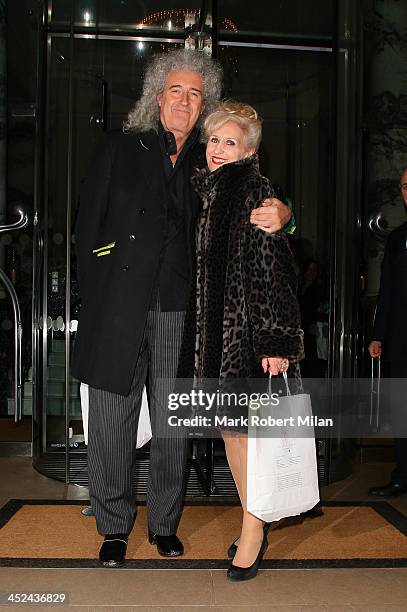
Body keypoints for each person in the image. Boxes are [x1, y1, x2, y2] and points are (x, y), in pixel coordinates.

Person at [71, 48, 292, 567]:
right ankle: (112, 527)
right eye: (176, 90)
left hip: (183, 309)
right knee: (111, 423)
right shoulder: (120, 147)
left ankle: (164, 523)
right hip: (117, 308)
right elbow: (87, 229)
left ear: (204, 104)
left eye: (195, 93)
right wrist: (98, 291)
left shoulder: (211, 155)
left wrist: (287, 211)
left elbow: (259, 202)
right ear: (157, 95)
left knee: (175, 423)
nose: (185, 100)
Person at [177, 100, 304, 581]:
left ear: (249, 150)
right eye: (213, 139)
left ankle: (253, 530)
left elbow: (273, 272)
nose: (217, 148)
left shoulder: (252, 192)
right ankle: (254, 519)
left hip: (246, 341)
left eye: (230, 141)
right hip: (219, 340)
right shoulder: (212, 192)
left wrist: (275, 342)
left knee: (245, 438)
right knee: (235, 436)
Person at [368, 167, 407, 497]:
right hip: (400, 339)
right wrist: (378, 335)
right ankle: (402, 475)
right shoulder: (397, 238)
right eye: (406, 187)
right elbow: (388, 291)